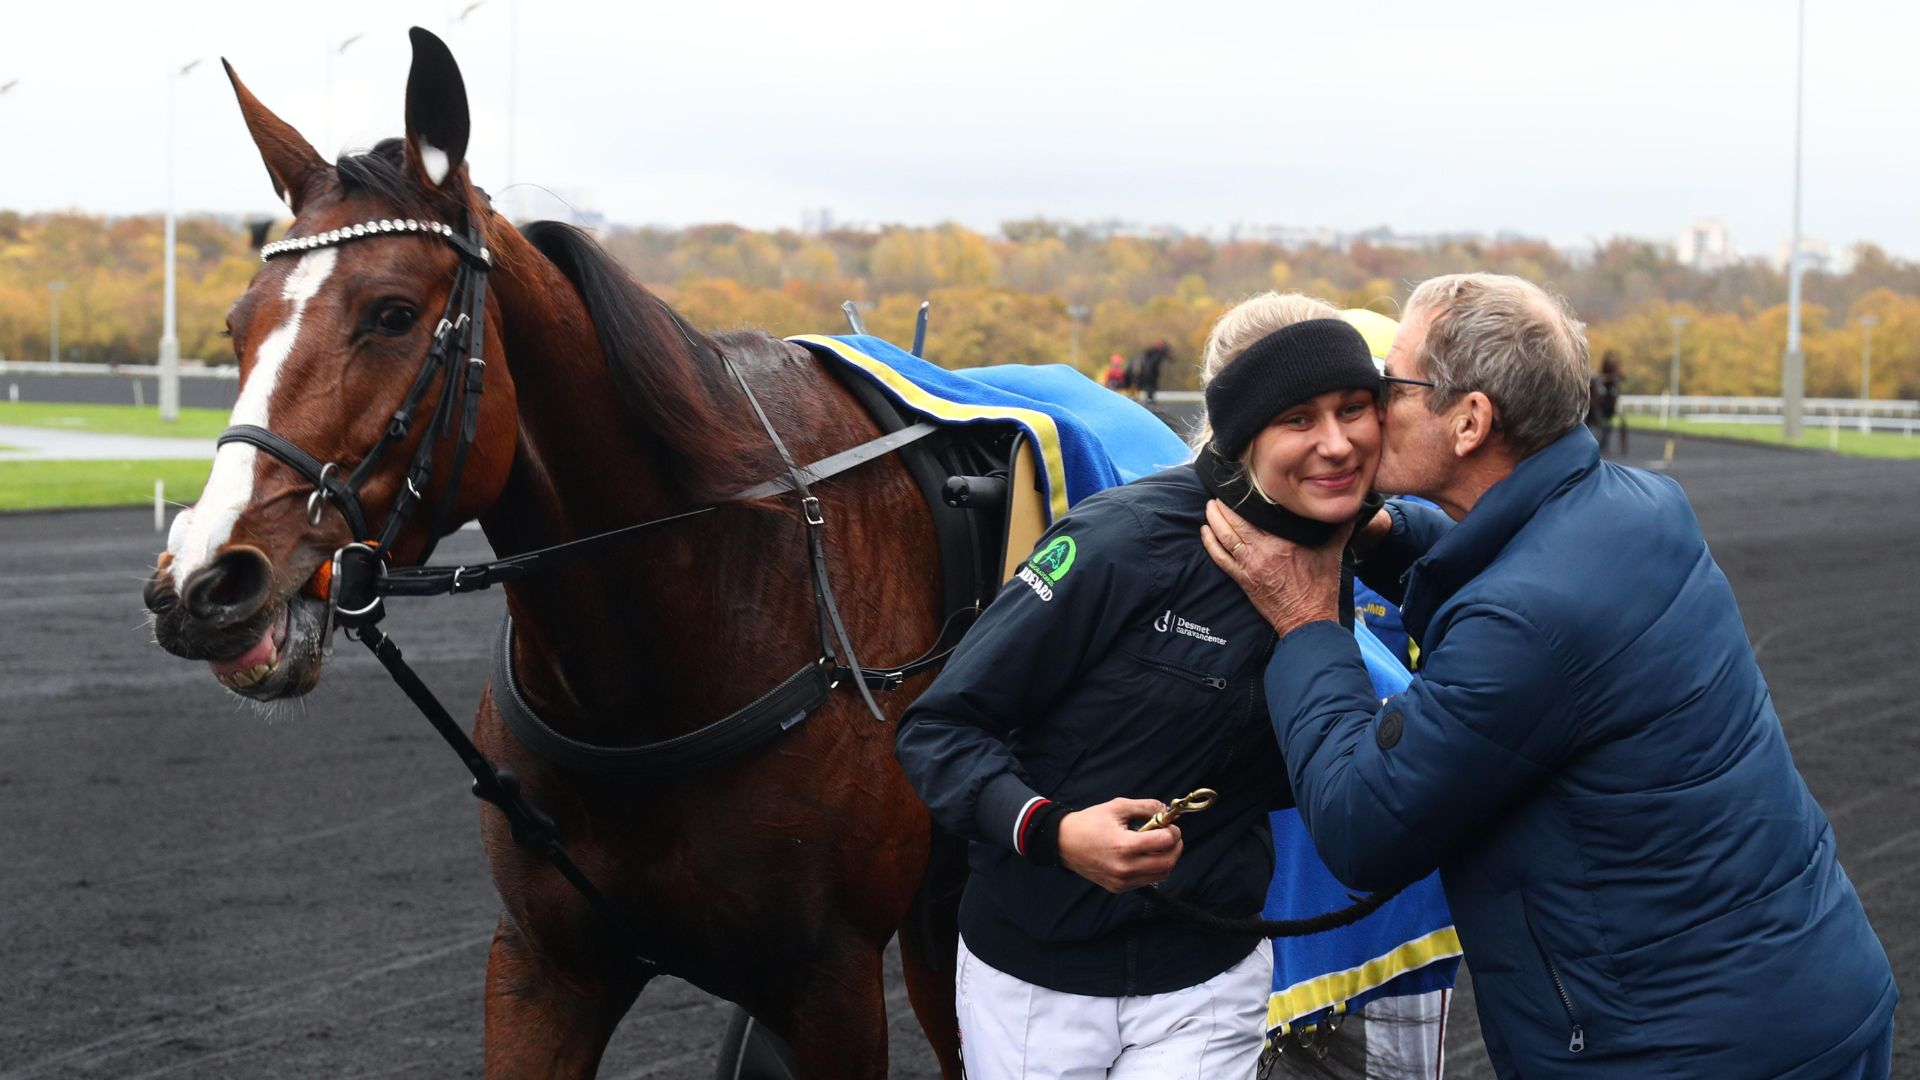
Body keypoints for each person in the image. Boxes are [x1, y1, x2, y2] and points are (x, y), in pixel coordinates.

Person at [1204, 272, 1898, 1078]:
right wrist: (1384, 534)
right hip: (1808, 993)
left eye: (1392, 384)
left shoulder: (1523, 623)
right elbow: (1515, 565)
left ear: (1470, 421)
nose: (1374, 405)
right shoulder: (1641, 504)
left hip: (1678, 1052)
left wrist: (1305, 621)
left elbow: (1362, 823)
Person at [894, 293, 1388, 1079]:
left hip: (1209, 978)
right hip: (1036, 978)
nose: (1336, 443)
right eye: (1299, 418)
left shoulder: (1344, 546)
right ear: (1244, 435)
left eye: (1354, 409)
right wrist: (1055, 832)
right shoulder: (1120, 539)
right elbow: (939, 731)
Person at [1586, 350, 1623, 453]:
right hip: (1596, 405)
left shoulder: (1614, 377)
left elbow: (1620, 377)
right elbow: (1599, 378)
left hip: (1608, 402)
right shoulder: (1598, 376)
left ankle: (1603, 444)